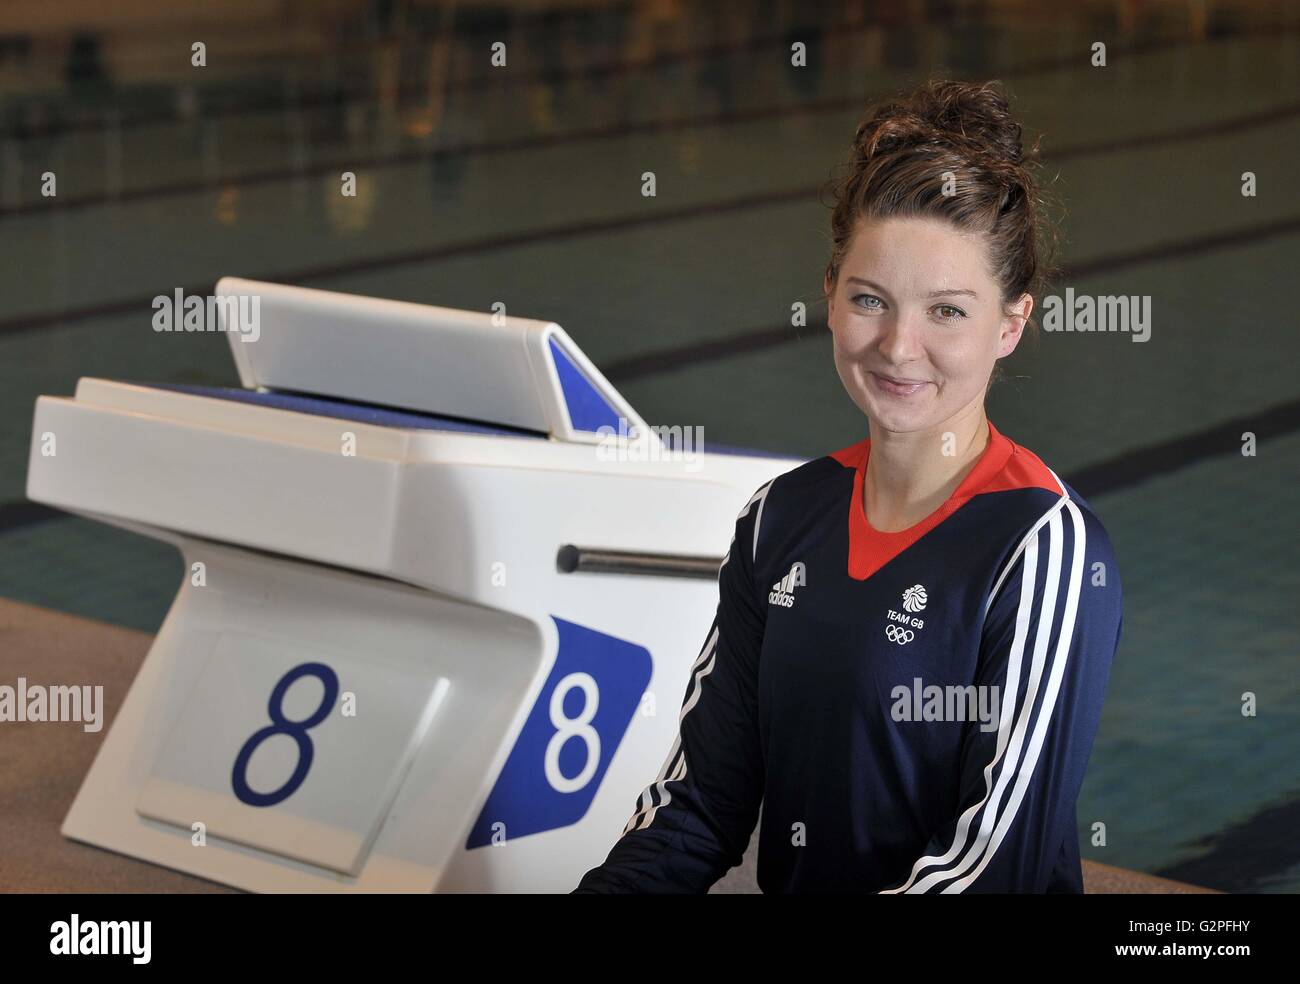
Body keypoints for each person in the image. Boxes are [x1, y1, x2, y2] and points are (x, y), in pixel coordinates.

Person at [574, 79, 1123, 893]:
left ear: (1009, 326)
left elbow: (988, 873)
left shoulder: (1041, 548)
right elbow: (697, 806)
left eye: (947, 312)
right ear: (829, 294)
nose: (899, 348)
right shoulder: (781, 520)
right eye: (871, 300)